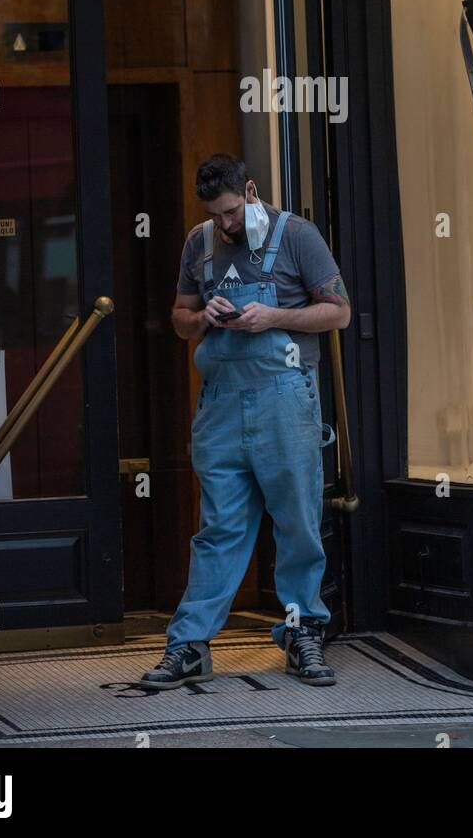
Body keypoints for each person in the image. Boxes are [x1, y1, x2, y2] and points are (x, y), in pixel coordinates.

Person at [139, 152, 351, 690]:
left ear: (251, 191)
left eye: (232, 211)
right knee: (219, 529)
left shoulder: (297, 235)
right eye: (216, 215)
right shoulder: (199, 243)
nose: (226, 224)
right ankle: (188, 645)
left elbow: (339, 312)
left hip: (285, 397)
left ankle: (303, 632)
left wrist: (274, 316)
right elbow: (180, 321)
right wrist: (200, 316)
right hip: (221, 403)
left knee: (297, 522)